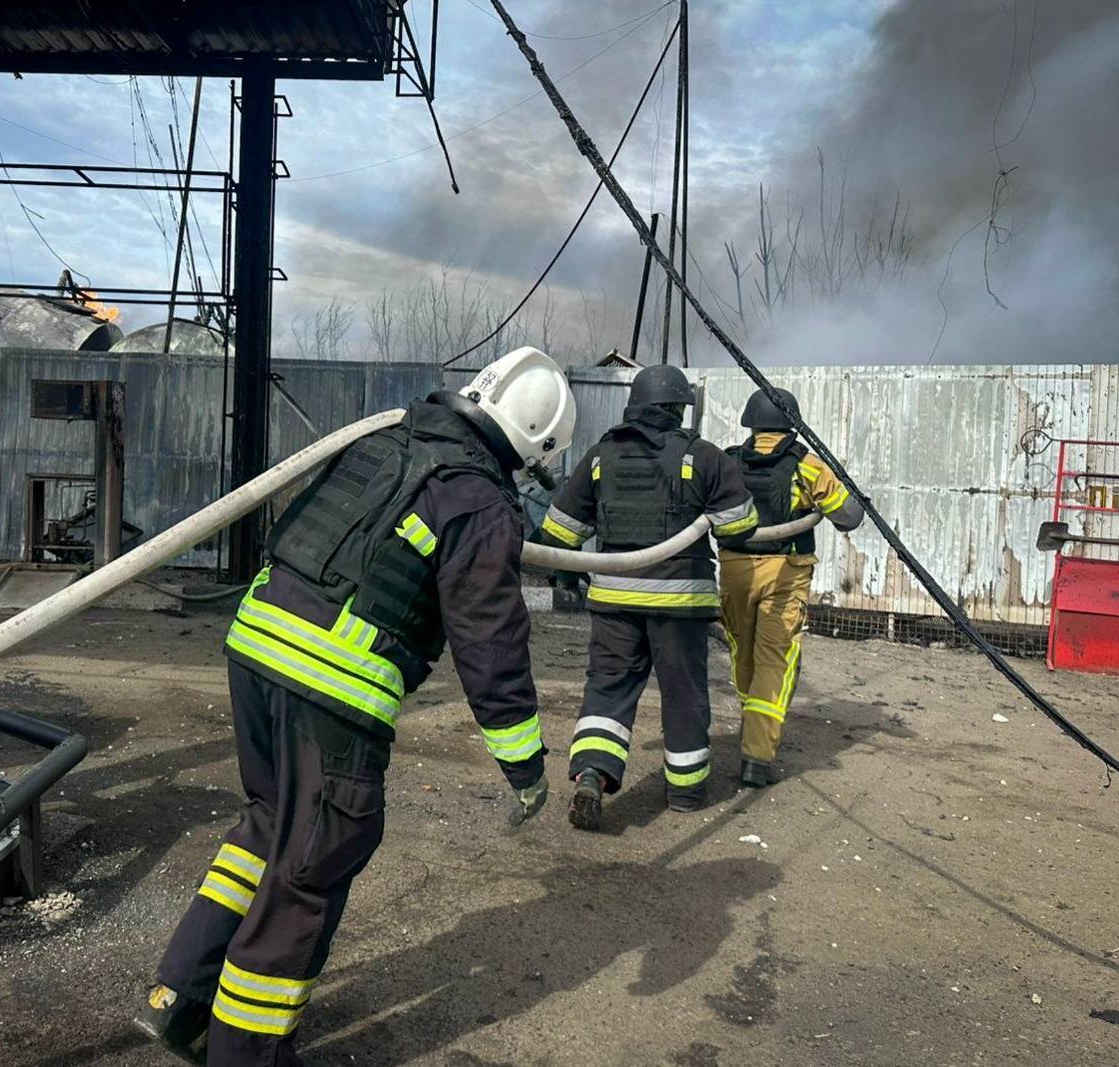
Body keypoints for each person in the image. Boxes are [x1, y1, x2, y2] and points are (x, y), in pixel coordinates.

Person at [136, 347, 577, 1064]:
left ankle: (179, 997)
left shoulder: (382, 441)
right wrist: (525, 764)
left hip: (254, 647)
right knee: (311, 866)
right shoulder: (480, 501)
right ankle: (243, 1053)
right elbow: (490, 641)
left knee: (270, 825)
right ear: (533, 446)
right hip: (330, 687)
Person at [537, 364, 757, 830]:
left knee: (608, 688)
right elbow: (740, 527)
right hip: (679, 606)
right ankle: (685, 791)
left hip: (614, 600)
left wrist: (564, 575)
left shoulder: (600, 457)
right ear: (677, 410)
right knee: (683, 695)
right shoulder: (705, 457)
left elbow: (558, 530)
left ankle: (592, 772)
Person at [719, 387, 864, 787]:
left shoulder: (726, 463)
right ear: (791, 424)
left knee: (743, 654)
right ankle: (757, 757)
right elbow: (849, 518)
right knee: (775, 660)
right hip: (785, 574)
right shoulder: (810, 467)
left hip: (734, 572)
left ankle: (752, 726)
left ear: (751, 422)